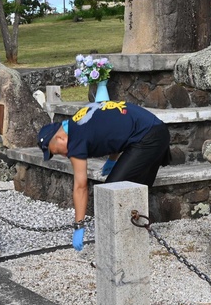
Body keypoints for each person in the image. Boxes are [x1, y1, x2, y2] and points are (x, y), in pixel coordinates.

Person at [37, 100, 171, 251]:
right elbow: (112, 130)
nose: (62, 155)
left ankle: (121, 244)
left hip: (148, 137)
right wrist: (112, 160)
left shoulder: (74, 139)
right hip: (156, 129)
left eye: (57, 151)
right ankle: (134, 238)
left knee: (111, 192)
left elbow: (80, 186)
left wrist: (79, 227)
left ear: (60, 138)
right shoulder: (78, 120)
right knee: (135, 187)